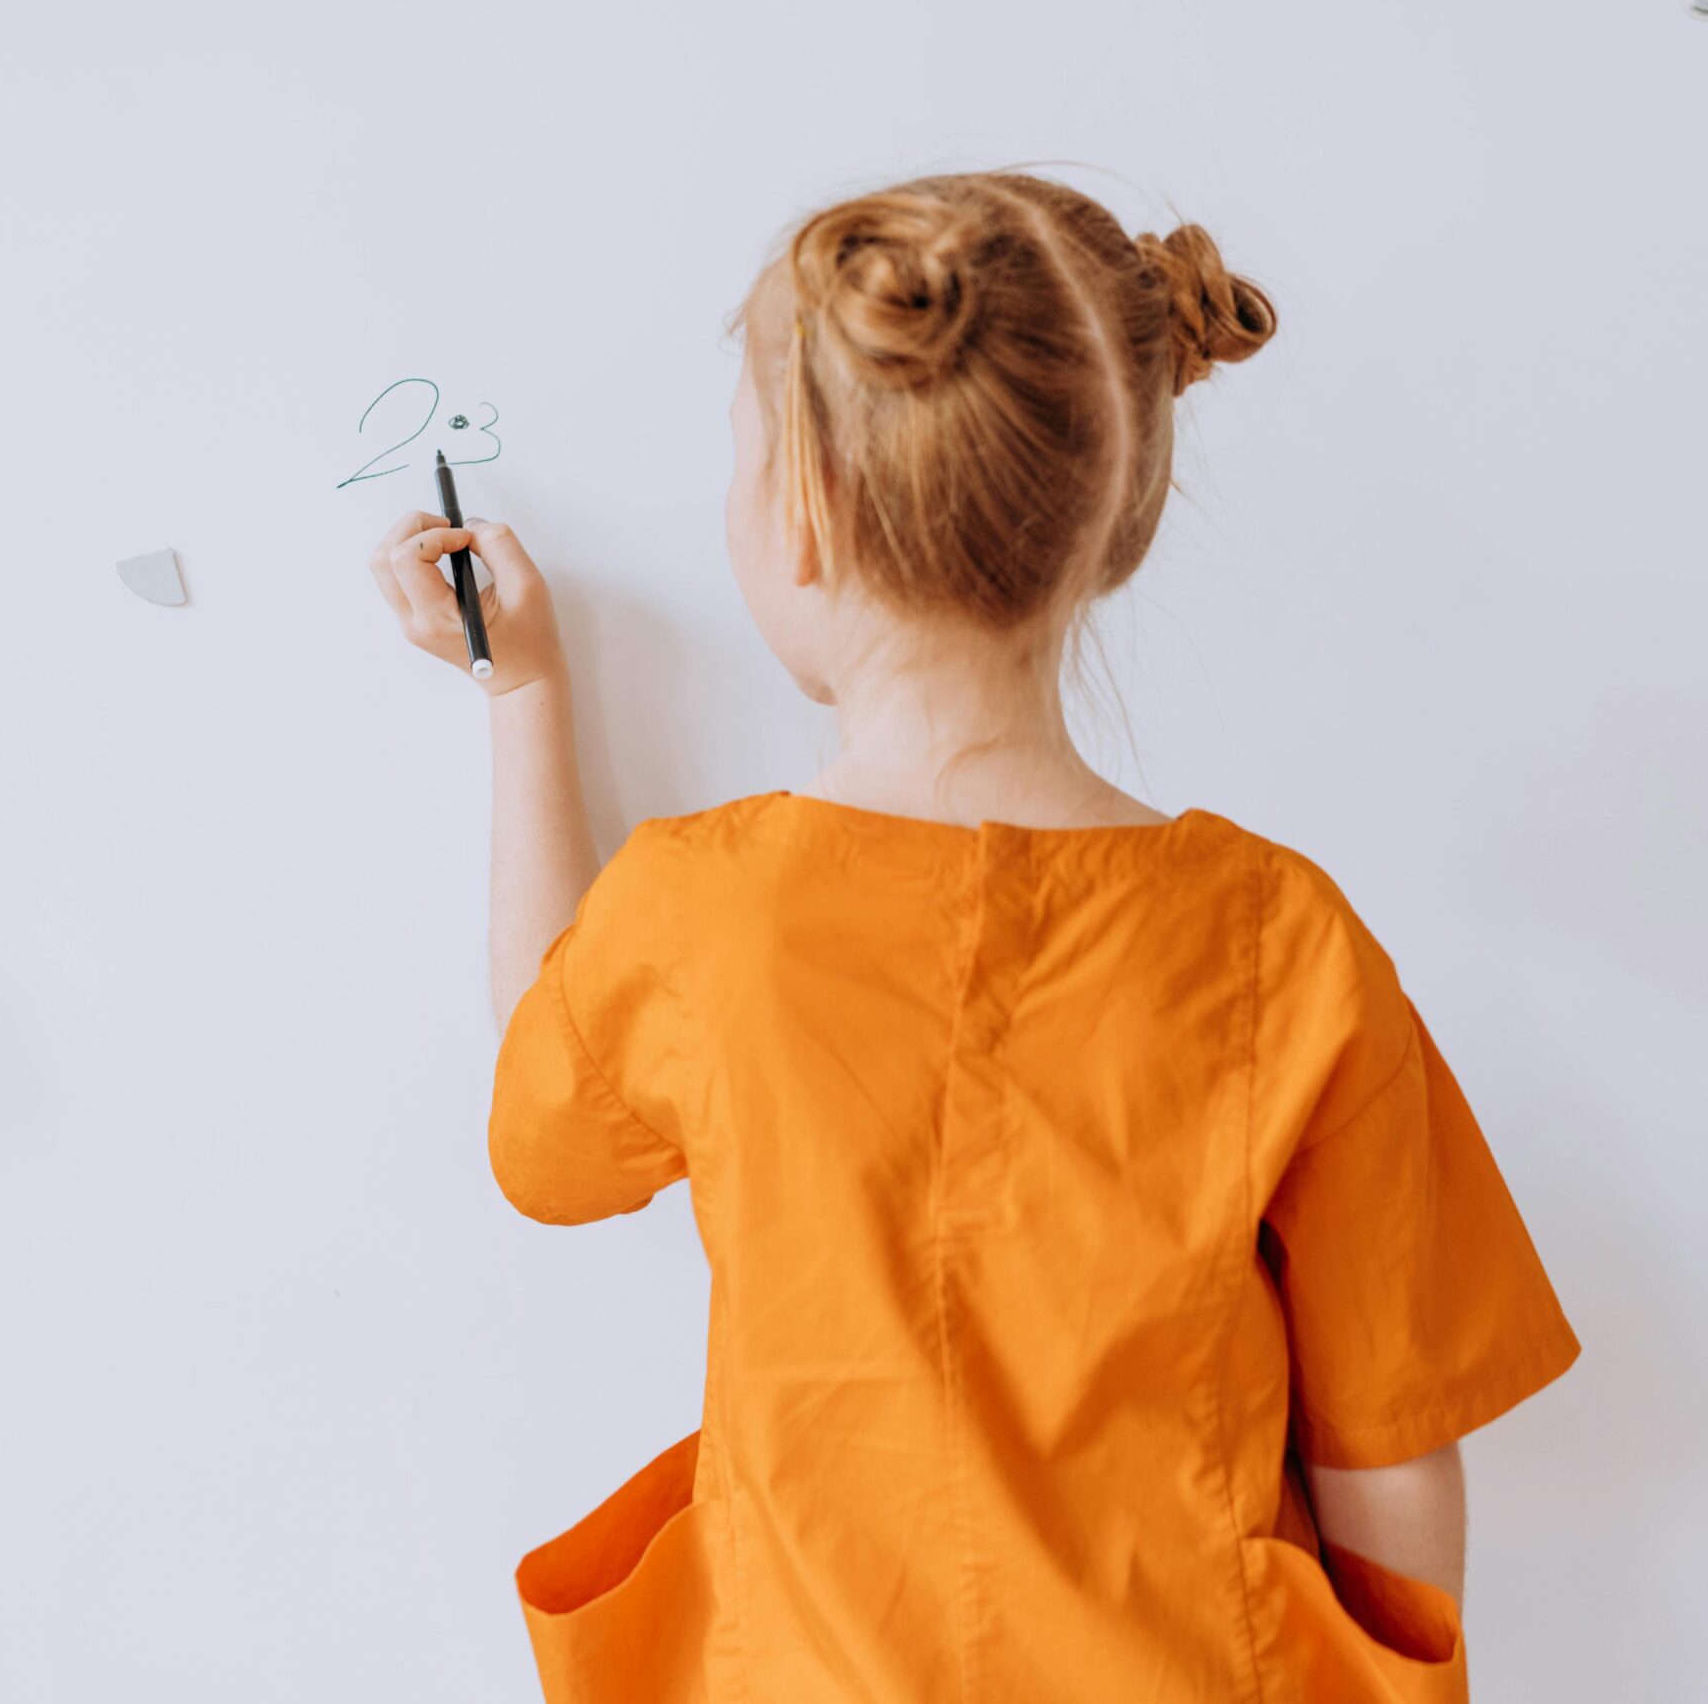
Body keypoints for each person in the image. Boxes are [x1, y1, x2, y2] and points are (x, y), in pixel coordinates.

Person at [361, 171, 1578, 1702]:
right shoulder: (1284, 938)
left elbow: (547, 1128)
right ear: (1115, 523)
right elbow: (1393, 1442)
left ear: (798, 514)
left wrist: (525, 694)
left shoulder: (700, 911)